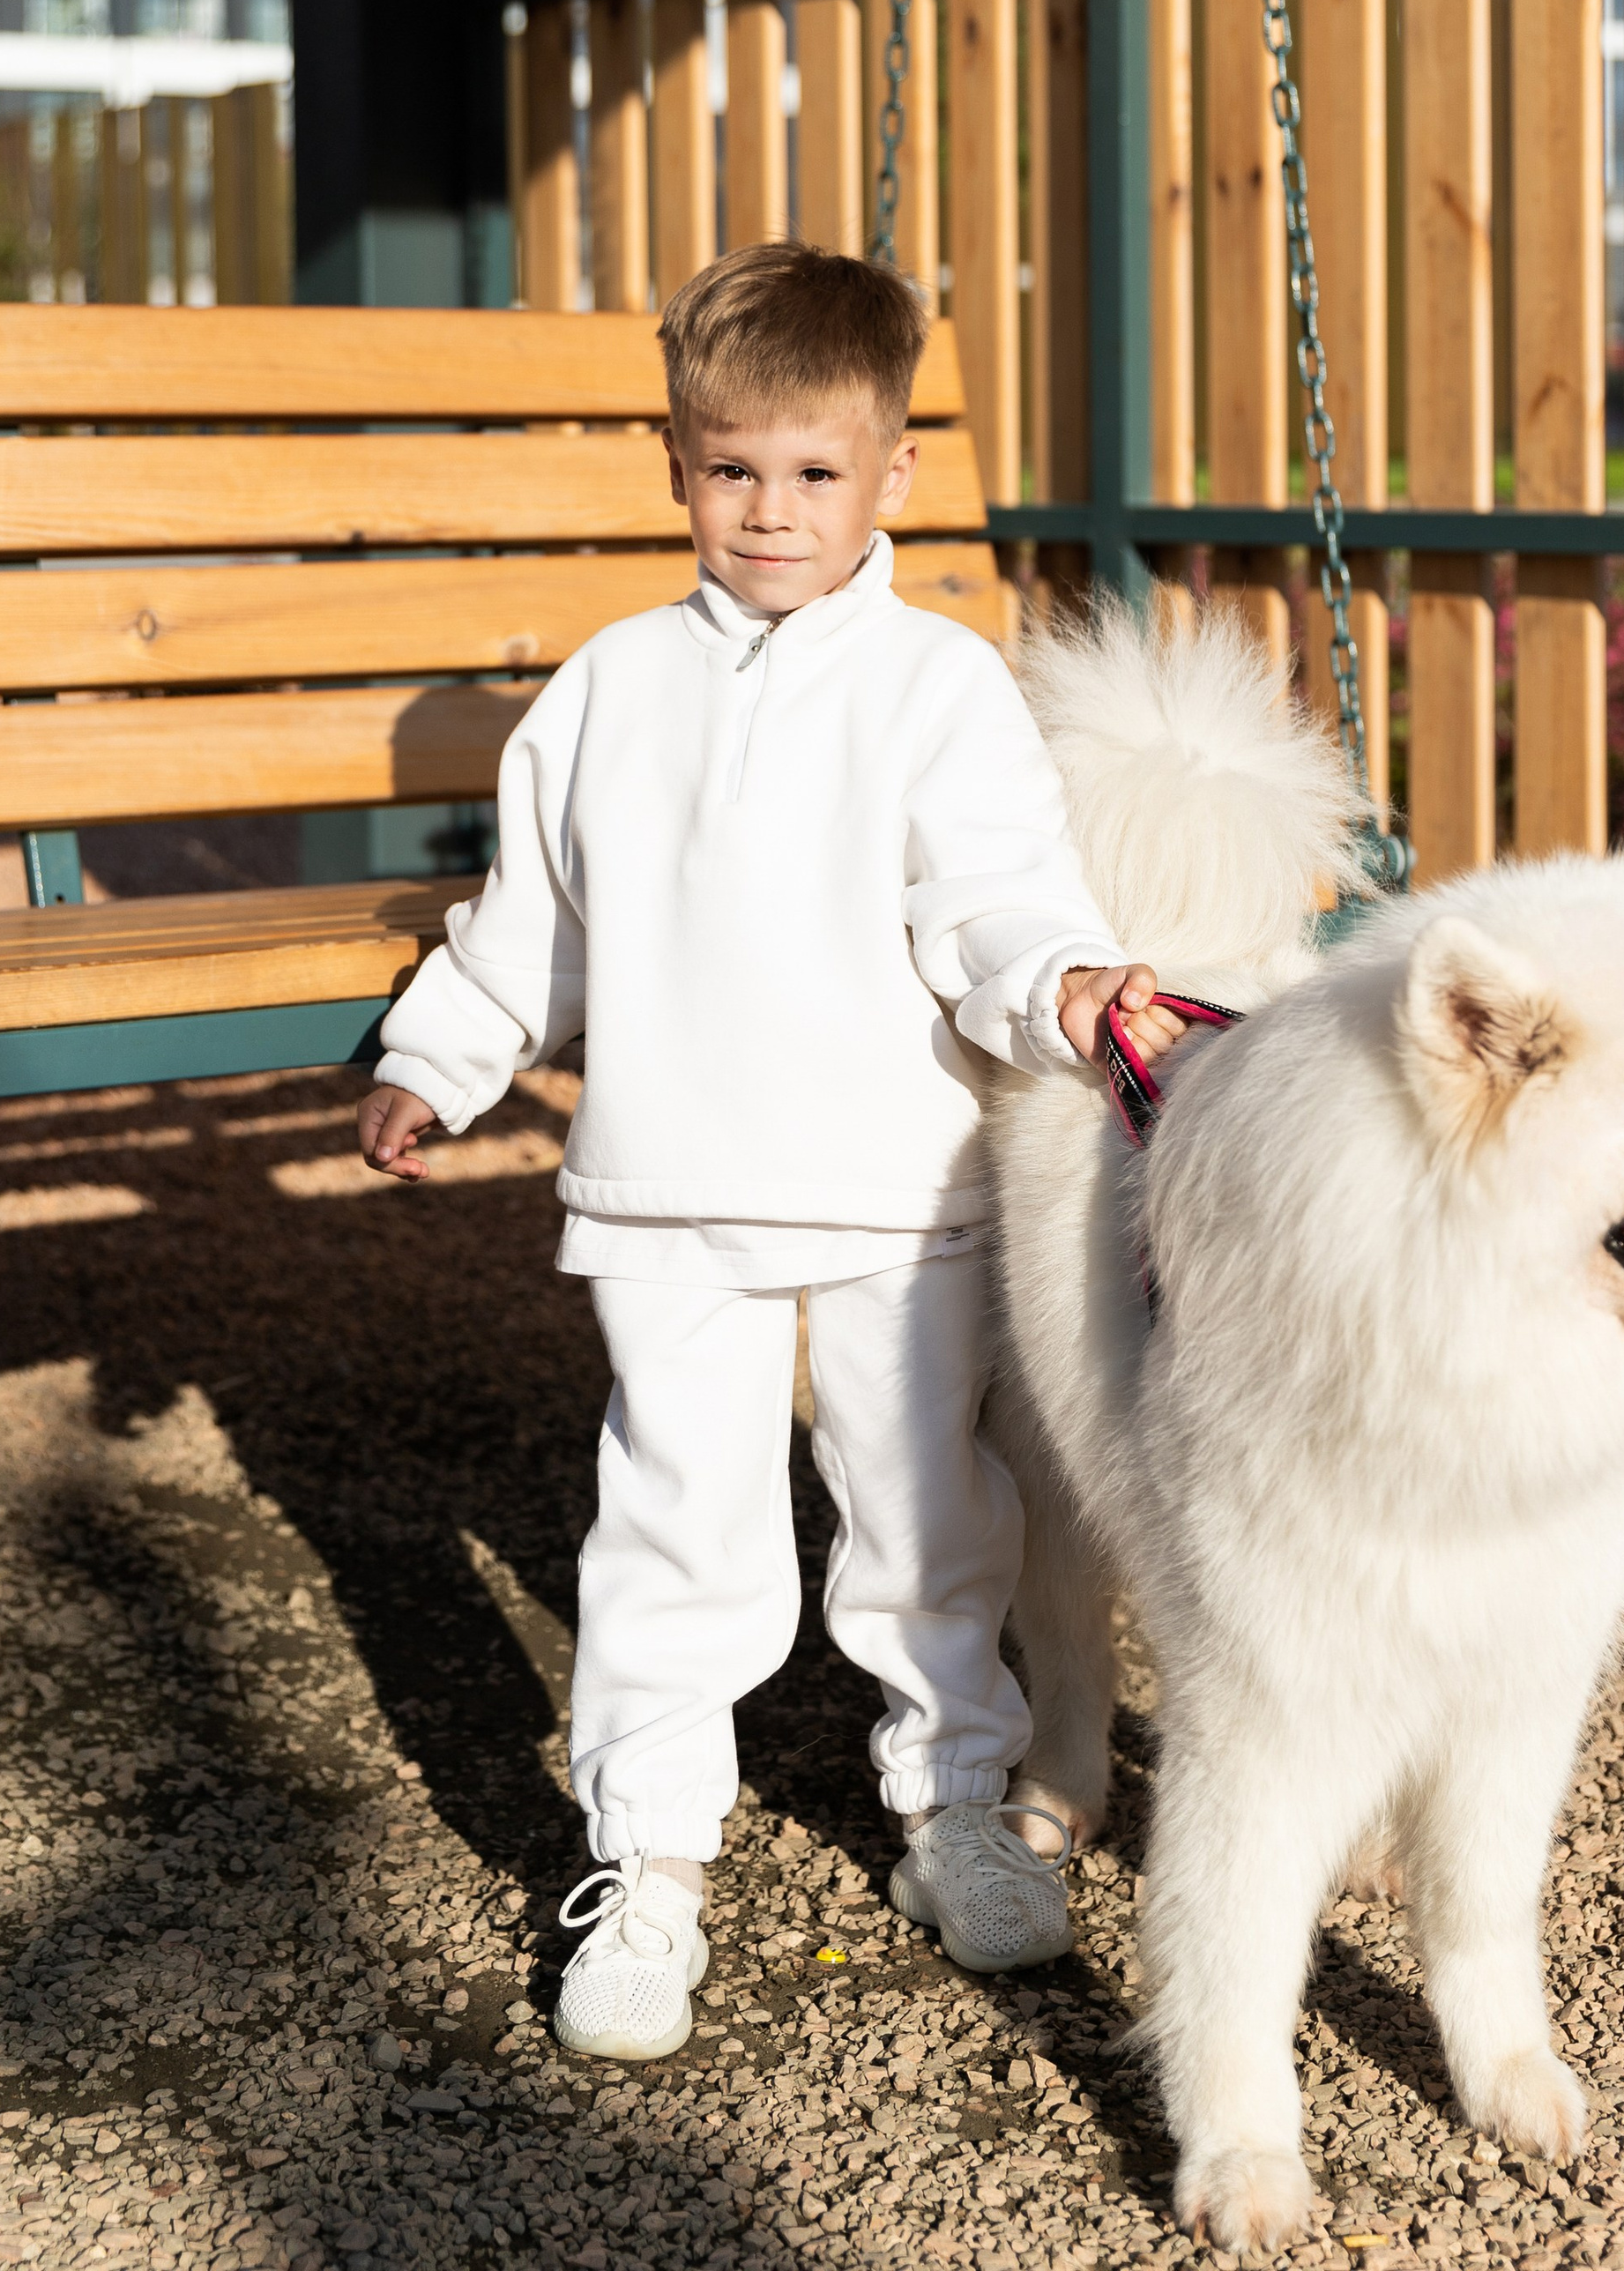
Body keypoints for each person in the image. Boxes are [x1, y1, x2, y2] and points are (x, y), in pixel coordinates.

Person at [355, 242, 1181, 2063]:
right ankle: (647, 1863)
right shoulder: (604, 689)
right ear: (675, 463)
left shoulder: (937, 688)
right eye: (730, 467)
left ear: (888, 473)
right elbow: (529, 928)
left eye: (813, 471)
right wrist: (441, 1058)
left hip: (896, 1192)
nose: (769, 509)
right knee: (669, 1528)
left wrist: (1064, 988)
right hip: (662, 1188)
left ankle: (953, 1802)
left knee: (924, 1521)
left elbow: (995, 902)